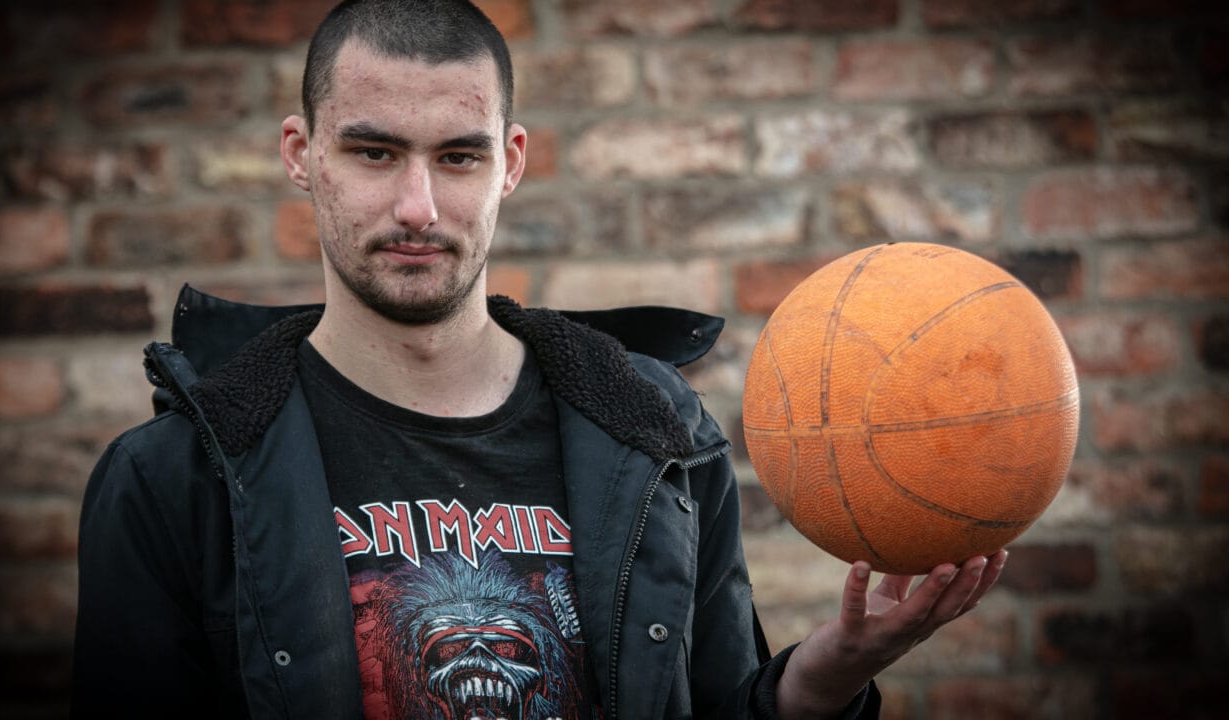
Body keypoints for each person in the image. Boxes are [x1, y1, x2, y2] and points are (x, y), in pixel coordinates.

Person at [72, 1, 1006, 718]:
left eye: (459, 158)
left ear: (511, 162)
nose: (418, 206)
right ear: (300, 153)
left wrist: (824, 680)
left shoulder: (656, 436)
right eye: (374, 153)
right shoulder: (174, 477)